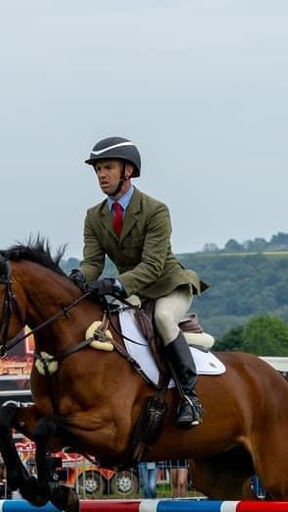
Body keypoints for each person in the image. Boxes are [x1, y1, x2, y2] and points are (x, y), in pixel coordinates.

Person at [73, 136, 208, 429]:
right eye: (97, 169)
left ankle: (189, 397)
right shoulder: (94, 217)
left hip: (169, 284)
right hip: (134, 292)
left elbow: (152, 265)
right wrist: (81, 276)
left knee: (161, 318)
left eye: (107, 167)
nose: (101, 175)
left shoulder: (155, 210)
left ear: (128, 171)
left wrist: (115, 284)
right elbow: (93, 262)